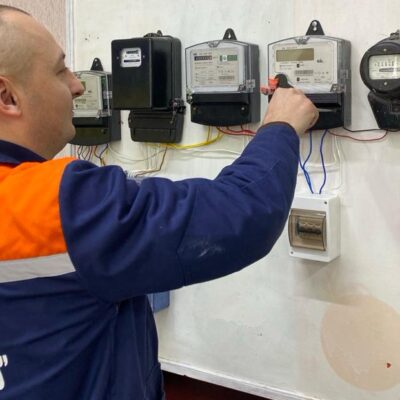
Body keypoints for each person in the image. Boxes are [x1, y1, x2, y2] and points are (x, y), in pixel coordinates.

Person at [0, 5, 318, 400]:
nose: (77, 85)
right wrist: (280, 126)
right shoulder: (58, 205)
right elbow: (242, 214)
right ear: (7, 96)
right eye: (59, 70)